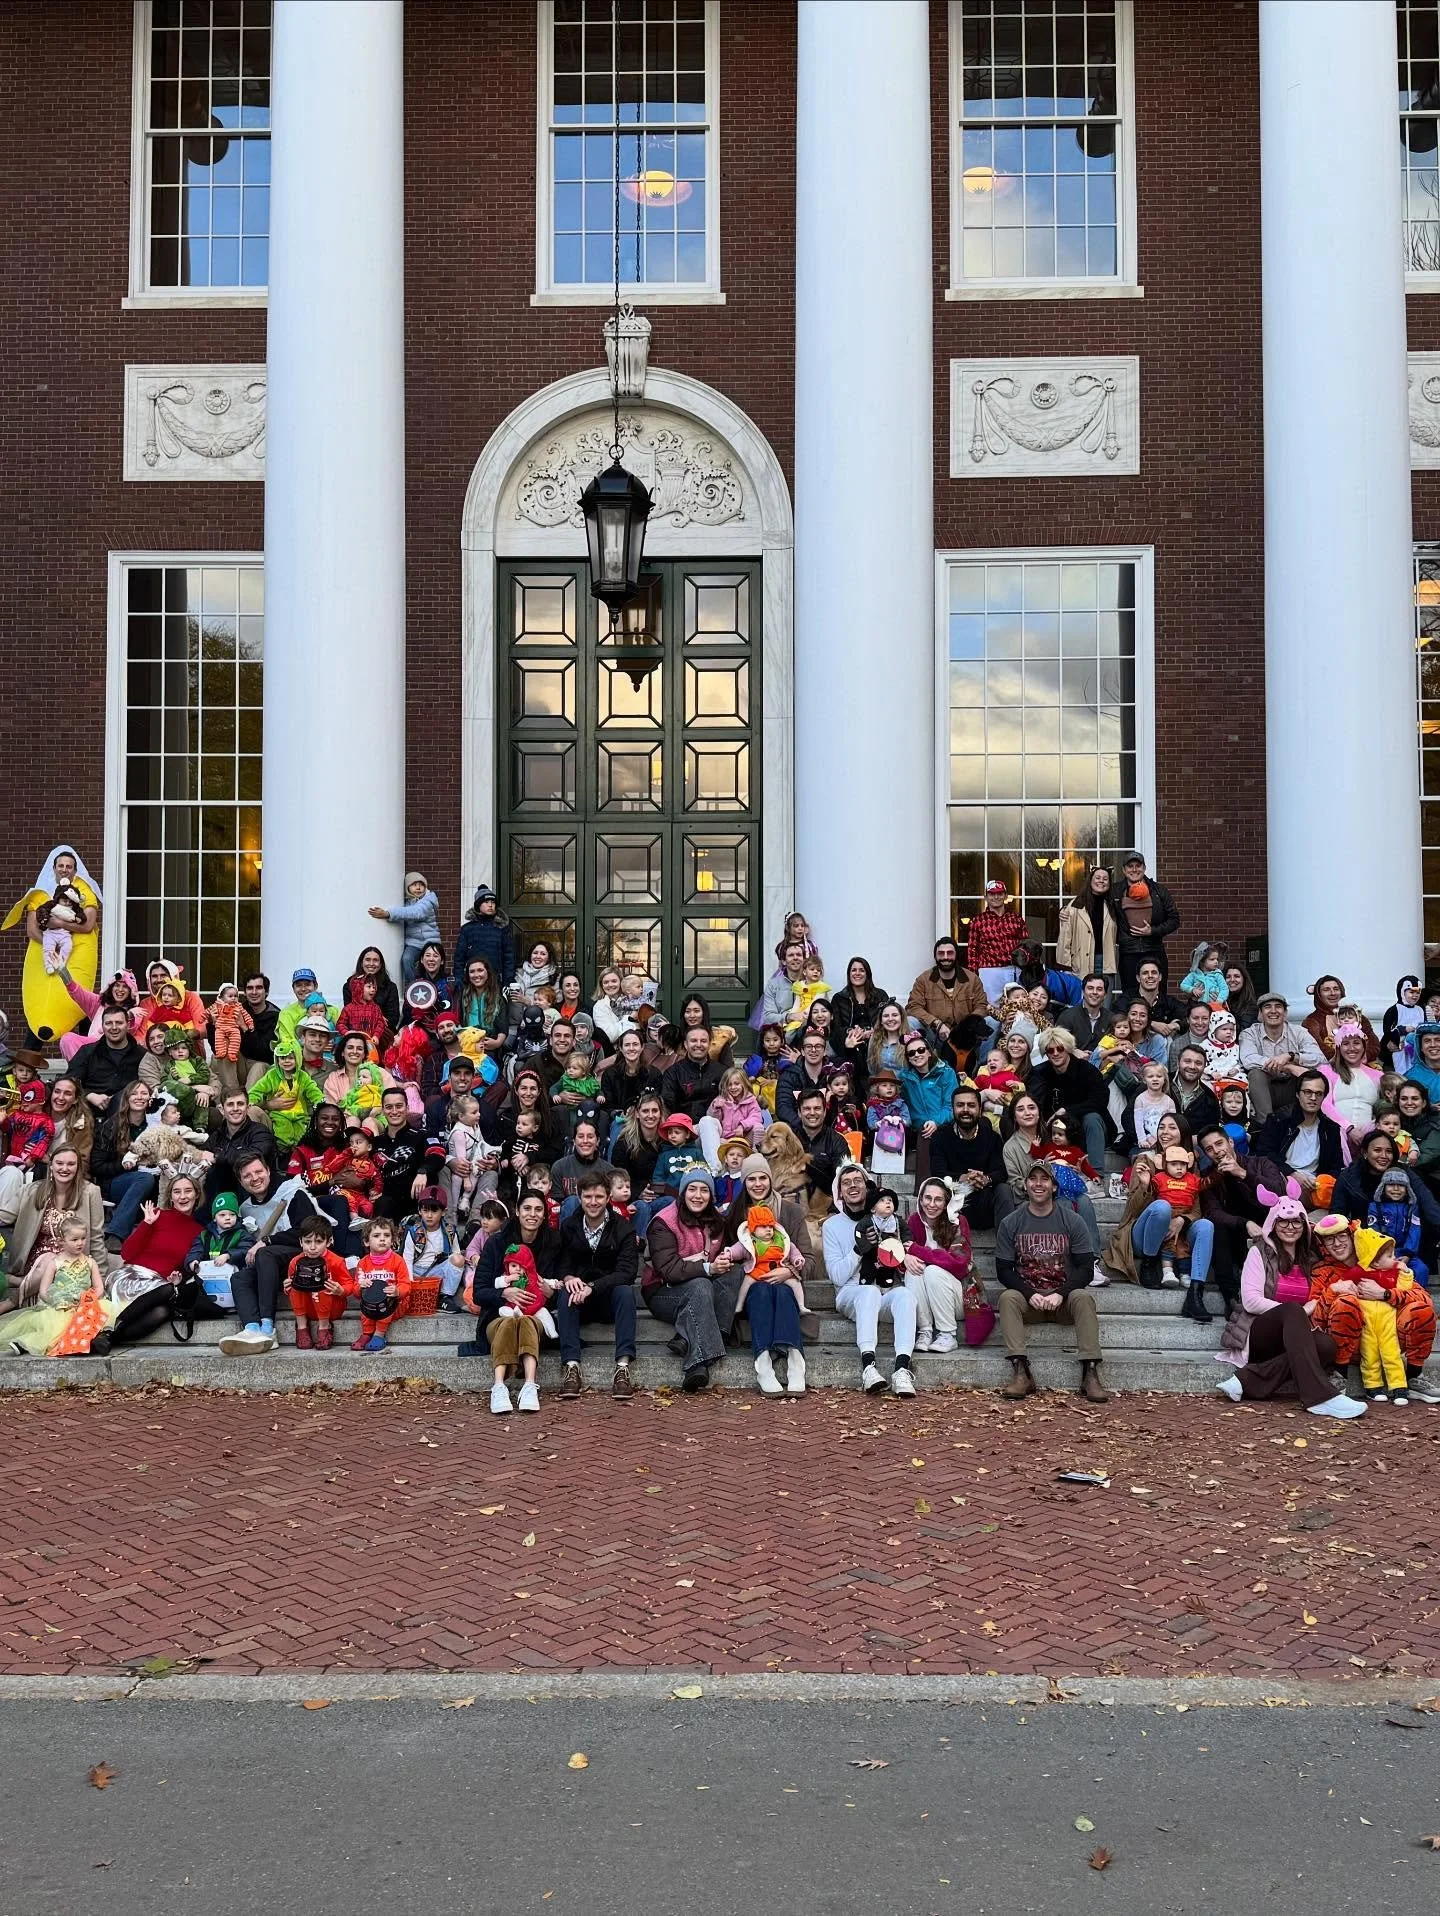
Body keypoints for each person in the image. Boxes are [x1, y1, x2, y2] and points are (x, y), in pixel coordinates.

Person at [1216, 1183, 1363, 1418]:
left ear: (1304, 1225)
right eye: (1283, 1221)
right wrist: (1300, 1311)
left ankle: (1244, 1382)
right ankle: (1318, 1397)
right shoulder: (1259, 1253)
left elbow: (1334, 1275)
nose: (1290, 1227)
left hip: (1294, 1336)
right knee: (1293, 1311)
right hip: (1259, 1331)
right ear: (1273, 1224)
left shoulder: (1310, 1259)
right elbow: (1251, 1301)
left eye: (1296, 1222)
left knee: (1326, 1346)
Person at [994, 1160, 1108, 1402]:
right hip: (1029, 1302)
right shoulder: (1011, 1222)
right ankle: (1021, 1371)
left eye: (1044, 1179)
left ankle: (1090, 1371)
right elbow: (1003, 1270)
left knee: (1083, 1297)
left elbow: (1086, 1269)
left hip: (1063, 1301)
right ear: (1025, 1184)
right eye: (1033, 1179)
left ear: (1054, 1186)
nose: (1038, 1184)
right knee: (1007, 1298)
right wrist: (1029, 1293)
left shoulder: (1072, 1221)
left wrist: (1061, 1293)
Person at [823, 1161, 917, 1396]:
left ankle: (902, 1369)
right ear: (840, 1192)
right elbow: (837, 1276)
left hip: (883, 1290)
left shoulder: (888, 1220)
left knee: (905, 1295)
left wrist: (900, 1251)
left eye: (858, 1181)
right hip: (851, 1292)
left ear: (867, 1187)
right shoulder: (832, 1226)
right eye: (846, 1183)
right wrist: (859, 1248)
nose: (853, 1186)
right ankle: (868, 1368)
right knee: (869, 1292)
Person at [644, 1166, 739, 1392]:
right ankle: (697, 1364)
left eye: (704, 1190)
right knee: (700, 1284)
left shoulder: (717, 1221)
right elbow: (668, 1269)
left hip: (701, 1291)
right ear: (683, 1192)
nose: (698, 1196)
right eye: (692, 1189)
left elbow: (728, 1255)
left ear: (711, 1195)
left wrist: (725, 1258)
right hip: (662, 1291)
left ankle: (695, 1336)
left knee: (734, 1272)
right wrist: (708, 1268)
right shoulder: (664, 1221)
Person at [553, 1170, 640, 1401]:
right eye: (588, 1196)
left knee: (626, 1292)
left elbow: (627, 1272)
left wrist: (593, 1286)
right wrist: (569, 1278)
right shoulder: (569, 1226)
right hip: (579, 1302)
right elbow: (562, 1263)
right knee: (565, 1293)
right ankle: (571, 1367)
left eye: (599, 1196)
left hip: (609, 1299)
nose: (593, 1202)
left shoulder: (623, 1228)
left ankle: (622, 1368)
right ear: (579, 1197)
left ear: (608, 1197)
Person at [0, 1215, 110, 1355]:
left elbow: (99, 1287)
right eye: (74, 1239)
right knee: (58, 1324)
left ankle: (92, 1342)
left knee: (96, 1314)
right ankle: (26, 1343)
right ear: (61, 1241)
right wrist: (57, 1302)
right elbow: (43, 1291)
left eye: (83, 1238)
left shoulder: (90, 1262)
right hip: (60, 1306)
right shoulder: (55, 1263)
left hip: (84, 1303)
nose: (80, 1243)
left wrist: (91, 1298)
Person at [905, 1175, 985, 1353]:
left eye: (938, 1199)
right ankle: (925, 1331)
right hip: (928, 1299)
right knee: (912, 1270)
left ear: (946, 1202)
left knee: (933, 1271)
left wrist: (916, 1251)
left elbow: (959, 1264)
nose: (932, 1204)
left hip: (961, 1298)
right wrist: (906, 1258)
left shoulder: (957, 1222)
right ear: (920, 1199)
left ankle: (947, 1334)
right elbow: (901, 1251)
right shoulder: (914, 1221)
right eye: (928, 1198)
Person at [2, 1145, 107, 1280]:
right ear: (51, 1165)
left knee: (56, 1263)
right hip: (37, 1263)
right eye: (59, 1163)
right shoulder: (31, 1190)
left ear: (78, 1167)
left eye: (71, 1164)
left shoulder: (91, 1192)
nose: (64, 1168)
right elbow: (5, 1215)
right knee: (48, 1261)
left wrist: (100, 1276)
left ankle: (19, 1284)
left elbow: (96, 1237)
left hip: (72, 1263)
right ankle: (27, 1282)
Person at [1026, 1027, 1111, 1176]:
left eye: (1060, 1048)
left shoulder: (1087, 1070)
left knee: (1092, 1118)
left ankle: (1097, 1175)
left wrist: (1067, 1110)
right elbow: (1034, 1100)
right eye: (1050, 1050)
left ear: (1068, 1049)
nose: (1055, 1053)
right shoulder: (1040, 1072)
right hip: (1057, 1130)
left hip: (1088, 1127)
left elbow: (1100, 1100)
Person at [1252, 1069, 1344, 1205]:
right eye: (1308, 1092)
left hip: (1315, 1186)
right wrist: (1291, 1173)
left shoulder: (1331, 1129)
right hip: (1281, 1179)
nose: (1313, 1098)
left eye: (1319, 1094)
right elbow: (1264, 1154)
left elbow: (1336, 1167)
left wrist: (1321, 1182)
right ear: (1297, 1094)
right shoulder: (1279, 1120)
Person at [1237, 991, 1326, 1121]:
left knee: (1309, 1073)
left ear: (1285, 1013)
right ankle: (1266, 1124)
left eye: (1278, 1006)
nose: (1273, 1011)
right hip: (1265, 1089)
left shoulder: (1299, 1032)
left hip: (1293, 1087)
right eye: (1267, 1007)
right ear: (1260, 1014)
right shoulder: (1249, 1033)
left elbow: (1320, 1059)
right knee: (1255, 1074)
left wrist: (1291, 1056)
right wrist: (1288, 1067)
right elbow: (1248, 1059)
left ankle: (1305, 1121)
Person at [928, 1084, 1006, 1230]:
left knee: (1003, 1190)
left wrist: (985, 1179)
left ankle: (1004, 1238)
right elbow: (938, 1172)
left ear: (980, 1110)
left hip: (985, 1201)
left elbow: (1000, 1172)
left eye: (971, 1105)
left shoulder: (992, 1138)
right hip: (953, 1199)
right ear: (953, 1109)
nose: (965, 1110)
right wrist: (963, 1178)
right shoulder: (940, 1137)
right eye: (960, 1105)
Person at [905, 938, 990, 1069]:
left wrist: (966, 1026)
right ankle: (922, 1067)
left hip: (967, 1039)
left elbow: (982, 1006)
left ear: (956, 955)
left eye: (950, 953)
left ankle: (983, 1068)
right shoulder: (923, 980)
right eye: (941, 953)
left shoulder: (972, 979)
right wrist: (936, 1023)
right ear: (935, 956)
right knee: (911, 1021)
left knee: (992, 1022)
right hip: (935, 1037)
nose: (945, 957)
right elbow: (913, 1007)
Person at [1112, 850, 1180, 994]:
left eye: (1138, 866)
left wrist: (1152, 931)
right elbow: (1094, 902)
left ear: (1144, 868)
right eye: (1130, 866)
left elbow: (1174, 919)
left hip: (1154, 950)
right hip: (1128, 952)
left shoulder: (1159, 890)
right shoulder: (1115, 891)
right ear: (1124, 870)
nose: (1134, 869)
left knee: (1158, 994)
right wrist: (1066, 911)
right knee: (1131, 994)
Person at [372, 1086, 444, 1219]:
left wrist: (423, 1171)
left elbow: (438, 1155)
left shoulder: (422, 1135)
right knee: (382, 1203)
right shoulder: (375, 1142)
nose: (394, 1111)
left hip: (416, 1203)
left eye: (399, 1106)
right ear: (383, 1110)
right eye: (389, 1107)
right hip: (387, 1205)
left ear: (407, 1108)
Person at [281, 1212, 350, 1350]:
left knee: (322, 1284)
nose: (312, 1247)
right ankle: (302, 1327)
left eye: (318, 1242)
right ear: (300, 1242)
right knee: (295, 1283)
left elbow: (350, 1284)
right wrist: (287, 1288)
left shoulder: (336, 1261)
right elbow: (290, 1290)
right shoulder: (296, 1262)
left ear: (329, 1242)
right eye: (307, 1242)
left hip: (332, 1309)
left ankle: (324, 1328)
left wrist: (341, 1290)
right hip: (307, 1310)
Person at [346, 1214, 411, 1352]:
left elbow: (406, 1285)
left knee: (384, 1306)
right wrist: (361, 1287)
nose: (382, 1239)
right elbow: (356, 1291)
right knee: (366, 1306)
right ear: (366, 1242)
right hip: (372, 1304)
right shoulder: (363, 1263)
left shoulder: (398, 1260)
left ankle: (379, 1334)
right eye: (376, 1236)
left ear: (392, 1240)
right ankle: (367, 1333)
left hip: (394, 1304)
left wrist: (397, 1291)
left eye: (387, 1235)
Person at [69, 1005, 146, 1113]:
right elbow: (69, 1081)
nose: (114, 1027)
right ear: (102, 1026)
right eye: (108, 1023)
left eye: (119, 1023)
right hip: (89, 1112)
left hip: (128, 1113)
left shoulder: (141, 1054)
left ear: (128, 1025)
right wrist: (90, 1095)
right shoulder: (87, 1052)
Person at [1056, 868, 1119, 987]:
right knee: (1082, 997)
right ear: (1090, 881)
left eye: (1105, 879)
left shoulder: (1113, 906)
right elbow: (1065, 938)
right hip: (1081, 962)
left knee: (1104, 997)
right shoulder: (1076, 905)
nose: (1101, 881)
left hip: (1105, 962)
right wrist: (1065, 966)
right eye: (1097, 878)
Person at [966, 881, 1029, 999]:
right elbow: (972, 950)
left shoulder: (1016, 919)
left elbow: (1025, 945)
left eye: (1000, 893)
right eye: (992, 894)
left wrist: (1026, 968)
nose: (996, 897)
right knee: (990, 1005)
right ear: (986, 897)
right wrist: (973, 976)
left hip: (1014, 968)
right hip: (989, 970)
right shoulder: (978, 921)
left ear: (1005, 896)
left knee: (1017, 1004)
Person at [452, 884, 517, 998]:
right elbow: (459, 957)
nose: (490, 905)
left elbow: (509, 957)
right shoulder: (467, 929)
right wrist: (459, 978)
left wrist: (508, 980)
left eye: (493, 902)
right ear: (478, 905)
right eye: (486, 902)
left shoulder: (502, 929)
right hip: (471, 982)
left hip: (496, 982)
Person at [1302, 975, 1380, 1065]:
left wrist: (1365, 1055)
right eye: (1326, 990)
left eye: (1336, 989)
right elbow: (1317, 1047)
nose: (1332, 993)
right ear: (1319, 995)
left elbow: (1374, 1043)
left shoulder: (1358, 1017)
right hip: (1331, 1066)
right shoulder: (1312, 1021)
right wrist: (1344, 1058)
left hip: (1362, 1064)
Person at [660, 1025, 727, 1126]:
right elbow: (667, 1105)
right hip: (683, 1128)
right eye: (693, 1041)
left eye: (703, 1041)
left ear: (709, 1044)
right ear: (685, 1045)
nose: (699, 1045)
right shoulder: (673, 1073)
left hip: (715, 1126)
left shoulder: (722, 1072)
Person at [1057, 974, 1112, 1060]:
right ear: (1083, 992)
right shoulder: (1067, 1016)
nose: (1094, 992)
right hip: (1074, 1064)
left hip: (1103, 1065)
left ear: (1105, 995)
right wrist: (1073, 1051)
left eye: (1099, 989)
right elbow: (1056, 1044)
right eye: (1090, 988)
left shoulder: (1111, 1018)